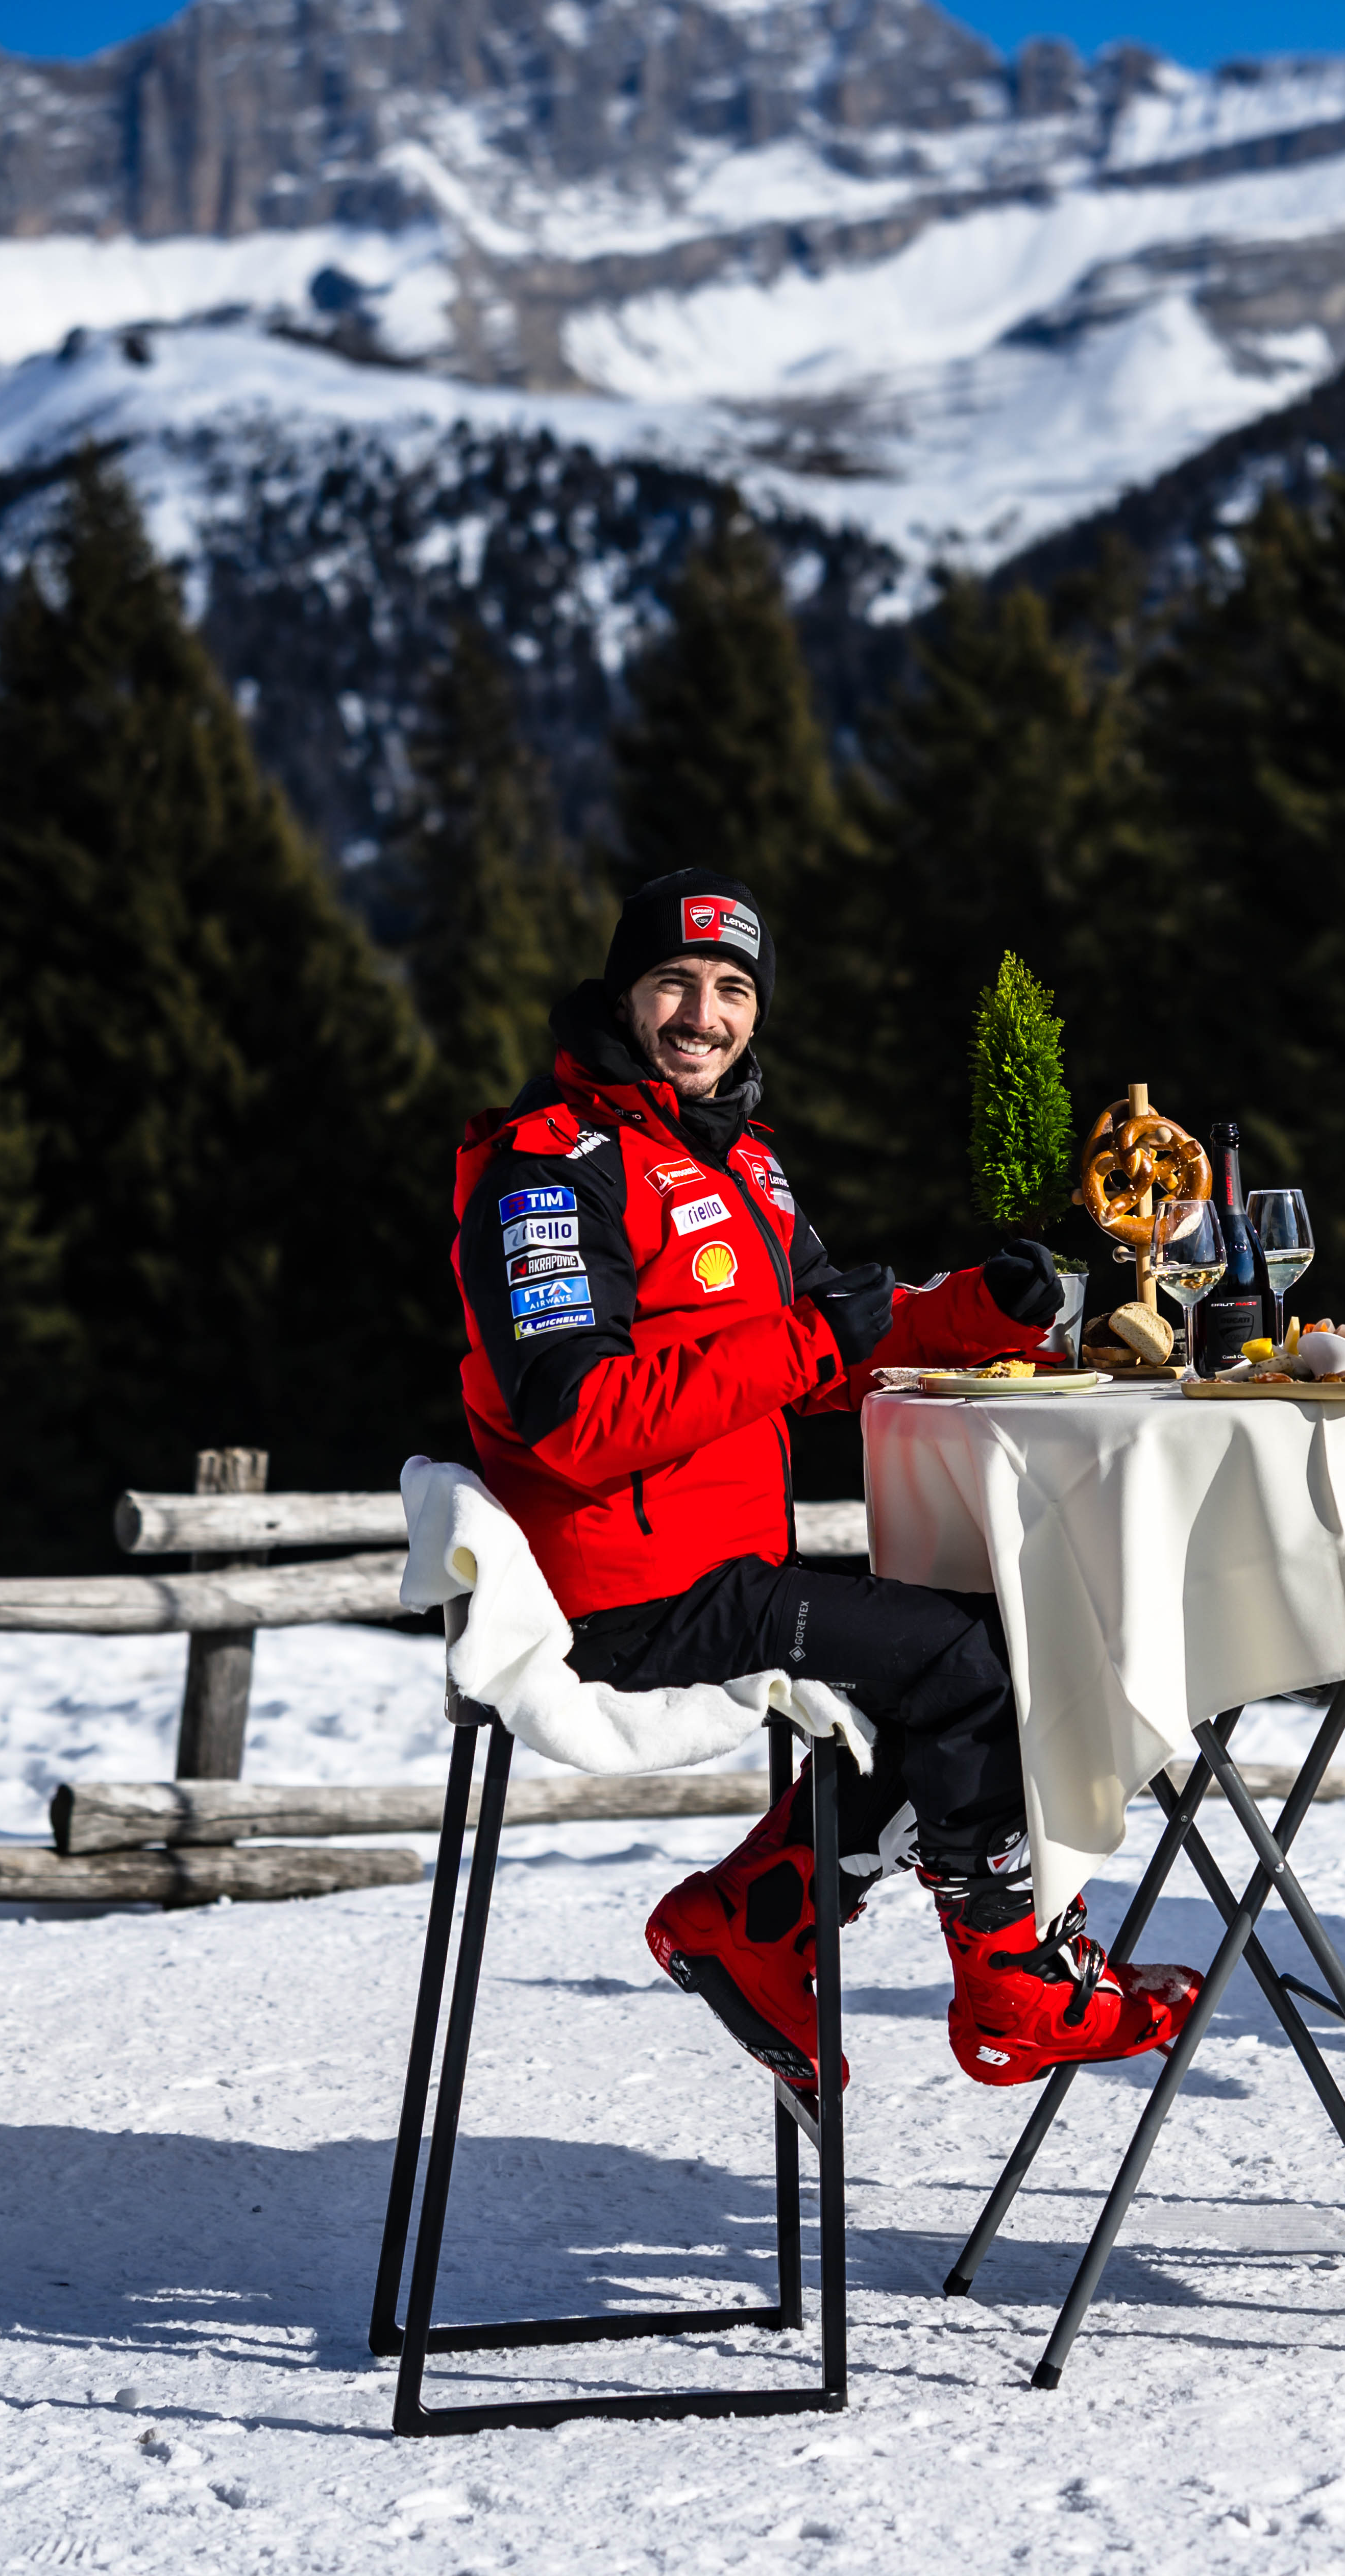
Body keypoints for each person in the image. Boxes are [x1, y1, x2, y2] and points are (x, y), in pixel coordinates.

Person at [449, 868, 1201, 2092]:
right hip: (625, 1595)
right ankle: (1011, 1980)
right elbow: (578, 1420)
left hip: (722, 1563)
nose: (703, 1015)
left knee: (981, 1645)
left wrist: (967, 1313)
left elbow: (814, 1361)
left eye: (732, 990)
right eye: (674, 983)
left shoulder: (742, 1163)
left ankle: (753, 1922)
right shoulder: (549, 1167)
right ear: (623, 995)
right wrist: (819, 1336)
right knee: (971, 1662)